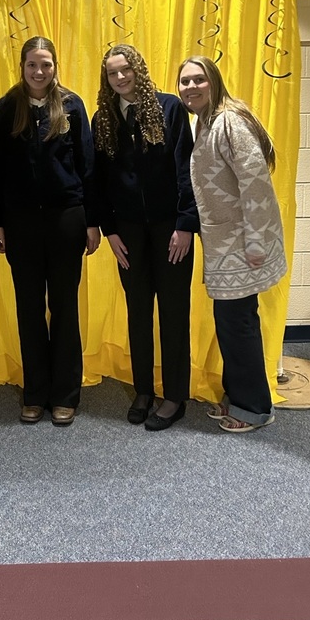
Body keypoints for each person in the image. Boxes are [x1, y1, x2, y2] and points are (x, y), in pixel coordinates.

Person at [0, 35, 100, 426]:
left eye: (46, 65)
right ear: (22, 67)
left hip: (66, 218)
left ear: (55, 67)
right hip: (20, 222)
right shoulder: (5, 109)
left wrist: (91, 221)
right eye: (33, 64)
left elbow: (87, 164)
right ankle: (35, 392)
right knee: (30, 308)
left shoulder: (72, 105)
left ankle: (65, 393)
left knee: (65, 306)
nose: (39, 71)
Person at [177, 55, 287, 433]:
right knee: (232, 323)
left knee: (237, 324)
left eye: (198, 80)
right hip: (225, 242)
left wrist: (255, 242)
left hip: (241, 242)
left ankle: (254, 407)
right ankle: (238, 396)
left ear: (214, 82)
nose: (191, 87)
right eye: (185, 81)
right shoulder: (206, 122)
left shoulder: (229, 121)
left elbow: (255, 184)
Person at [93, 45, 198, 431]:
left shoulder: (169, 108)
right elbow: (99, 181)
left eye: (125, 71)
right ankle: (143, 390)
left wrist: (186, 224)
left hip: (171, 230)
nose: (120, 79)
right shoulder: (102, 118)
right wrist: (111, 231)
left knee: (173, 313)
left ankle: (174, 397)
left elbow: (187, 169)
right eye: (112, 74)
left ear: (138, 69)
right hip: (129, 234)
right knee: (138, 312)